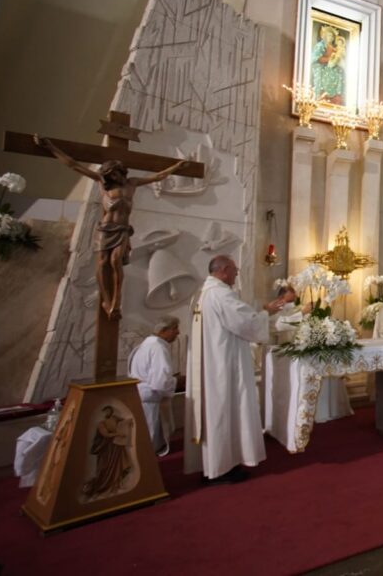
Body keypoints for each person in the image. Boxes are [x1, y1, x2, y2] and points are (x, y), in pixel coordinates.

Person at [34, 135, 190, 319]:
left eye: (115, 173)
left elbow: (158, 176)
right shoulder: (103, 184)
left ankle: (116, 300)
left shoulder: (132, 183)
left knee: (116, 261)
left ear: (121, 171)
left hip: (122, 229)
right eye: (110, 175)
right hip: (106, 228)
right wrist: (50, 147)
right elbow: (73, 165)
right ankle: (107, 299)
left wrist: (176, 167)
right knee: (102, 263)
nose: (113, 176)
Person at [185, 255, 286, 484]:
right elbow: (245, 322)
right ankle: (221, 468)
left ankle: (212, 463)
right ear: (224, 270)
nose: (237, 274)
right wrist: (267, 311)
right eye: (235, 270)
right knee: (224, 410)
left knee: (215, 412)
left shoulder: (201, 294)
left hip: (211, 364)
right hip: (222, 366)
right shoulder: (221, 294)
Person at [128, 316, 180, 456]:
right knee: (149, 439)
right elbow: (160, 380)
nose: (178, 332)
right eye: (174, 328)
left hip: (141, 395)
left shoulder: (145, 344)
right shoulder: (158, 348)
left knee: (147, 434)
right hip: (150, 397)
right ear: (163, 330)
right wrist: (176, 382)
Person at [311, 25, 346, 104]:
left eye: (333, 36)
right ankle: (321, 97)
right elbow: (316, 58)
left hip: (332, 67)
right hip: (322, 68)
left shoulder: (333, 47)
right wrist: (328, 60)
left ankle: (336, 97)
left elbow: (338, 55)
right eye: (329, 35)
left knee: (339, 71)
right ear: (325, 35)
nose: (331, 37)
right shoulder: (320, 45)